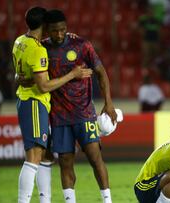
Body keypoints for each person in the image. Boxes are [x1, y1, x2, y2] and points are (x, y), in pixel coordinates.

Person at [13, 7, 91, 203]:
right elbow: (44, 86)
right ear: (45, 26)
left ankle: (44, 200)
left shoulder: (20, 41)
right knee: (34, 156)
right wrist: (72, 75)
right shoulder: (38, 49)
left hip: (29, 101)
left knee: (45, 156)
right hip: (34, 102)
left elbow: (18, 73)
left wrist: (23, 78)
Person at [42, 9, 117, 203]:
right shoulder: (42, 50)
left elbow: (101, 72)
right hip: (59, 117)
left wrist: (108, 103)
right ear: (47, 30)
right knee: (65, 163)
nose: (59, 34)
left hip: (84, 113)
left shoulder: (81, 45)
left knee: (95, 158)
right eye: (54, 31)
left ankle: (107, 201)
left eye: (62, 30)